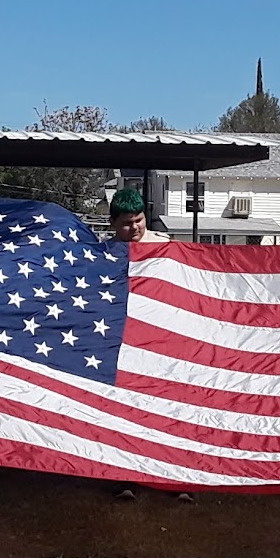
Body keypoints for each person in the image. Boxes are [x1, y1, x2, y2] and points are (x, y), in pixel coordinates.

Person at [105, 185, 188, 503]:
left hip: (164, 341)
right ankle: (125, 477)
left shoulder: (167, 247)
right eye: (126, 223)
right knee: (125, 410)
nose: (135, 228)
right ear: (113, 223)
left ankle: (174, 477)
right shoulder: (106, 253)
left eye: (139, 220)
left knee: (166, 409)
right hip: (124, 341)